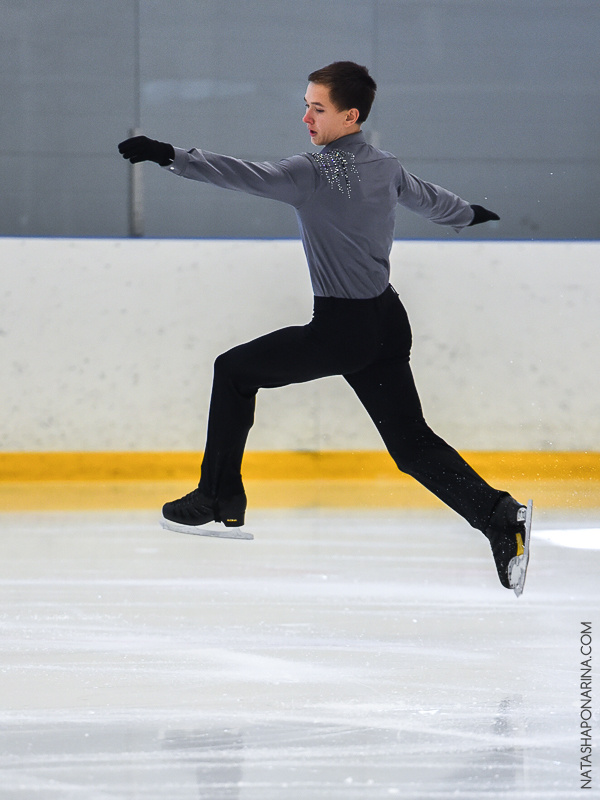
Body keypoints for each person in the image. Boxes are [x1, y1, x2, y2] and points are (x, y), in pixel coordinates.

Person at [118, 61, 531, 594]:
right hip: (385, 320)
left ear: (349, 115)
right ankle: (501, 517)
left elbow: (242, 174)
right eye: (306, 104)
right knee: (411, 445)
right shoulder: (383, 164)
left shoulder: (312, 172)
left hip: (343, 331)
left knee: (234, 370)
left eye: (318, 108)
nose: (306, 117)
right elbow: (427, 198)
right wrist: (466, 215)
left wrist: (169, 155)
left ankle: (217, 496)